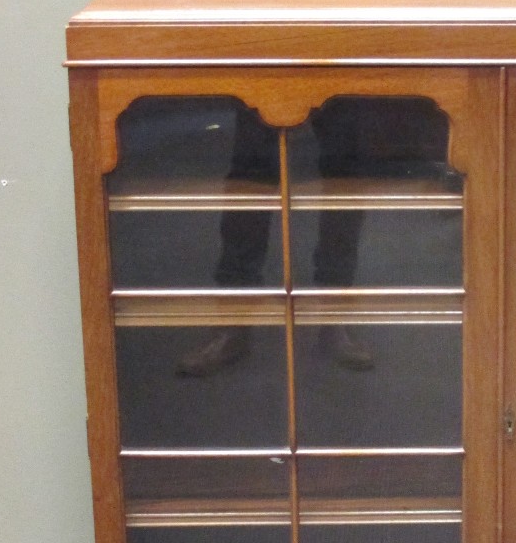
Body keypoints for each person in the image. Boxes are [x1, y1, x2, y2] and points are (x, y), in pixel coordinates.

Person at [177, 97, 446, 375]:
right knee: (251, 175)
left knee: (345, 177)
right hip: (264, 61)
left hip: (338, 61)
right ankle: (233, 320)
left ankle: (334, 317)